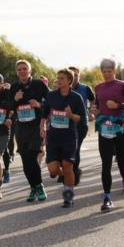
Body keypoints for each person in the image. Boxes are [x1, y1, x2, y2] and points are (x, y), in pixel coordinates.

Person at [92, 58, 124, 212]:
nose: (107, 74)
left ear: (115, 71)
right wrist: (95, 109)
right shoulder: (98, 87)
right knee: (106, 164)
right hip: (105, 128)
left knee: (121, 161)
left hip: (120, 128)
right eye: (104, 71)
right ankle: (107, 198)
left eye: (109, 71)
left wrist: (118, 105)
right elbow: (97, 105)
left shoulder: (122, 85)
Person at [41, 69, 86, 207]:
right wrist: (42, 128)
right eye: (58, 78)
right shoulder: (51, 95)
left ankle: (68, 197)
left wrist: (71, 115)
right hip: (53, 137)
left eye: (62, 78)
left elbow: (81, 118)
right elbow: (44, 114)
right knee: (53, 170)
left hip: (69, 137)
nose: (59, 80)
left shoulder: (76, 97)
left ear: (69, 80)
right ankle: (70, 175)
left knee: (67, 166)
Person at [10, 60, 50, 202]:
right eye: (19, 69)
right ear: (17, 72)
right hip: (21, 128)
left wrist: (39, 104)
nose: (22, 71)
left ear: (30, 71)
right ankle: (33, 188)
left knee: (32, 157)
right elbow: (9, 107)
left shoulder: (39, 84)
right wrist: (15, 99)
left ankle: (39, 186)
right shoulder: (14, 87)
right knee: (25, 159)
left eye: (24, 68)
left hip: (36, 126)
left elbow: (51, 102)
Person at [69, 66, 95, 185]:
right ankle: (67, 170)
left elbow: (93, 101)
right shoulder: (63, 88)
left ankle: (75, 172)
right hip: (65, 123)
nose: (74, 77)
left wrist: (91, 112)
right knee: (66, 148)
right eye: (72, 75)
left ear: (79, 76)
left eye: (76, 75)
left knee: (75, 148)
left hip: (81, 123)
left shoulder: (85, 88)